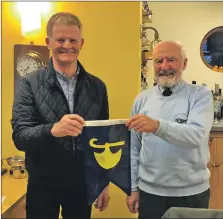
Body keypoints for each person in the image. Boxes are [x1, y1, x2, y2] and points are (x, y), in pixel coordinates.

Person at [11, 12, 110, 219]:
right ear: (48, 42)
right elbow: (20, 136)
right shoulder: (29, 84)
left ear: (81, 43)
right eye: (60, 40)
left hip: (82, 183)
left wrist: (102, 181)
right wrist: (52, 130)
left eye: (73, 40)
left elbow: (102, 138)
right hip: (42, 183)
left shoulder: (98, 87)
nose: (67, 45)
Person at [126, 41, 214, 219]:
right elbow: (133, 148)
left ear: (185, 63)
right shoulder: (142, 99)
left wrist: (157, 126)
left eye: (171, 60)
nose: (164, 66)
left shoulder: (200, 95)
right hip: (150, 192)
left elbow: (196, 135)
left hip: (191, 193)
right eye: (158, 61)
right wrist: (133, 188)